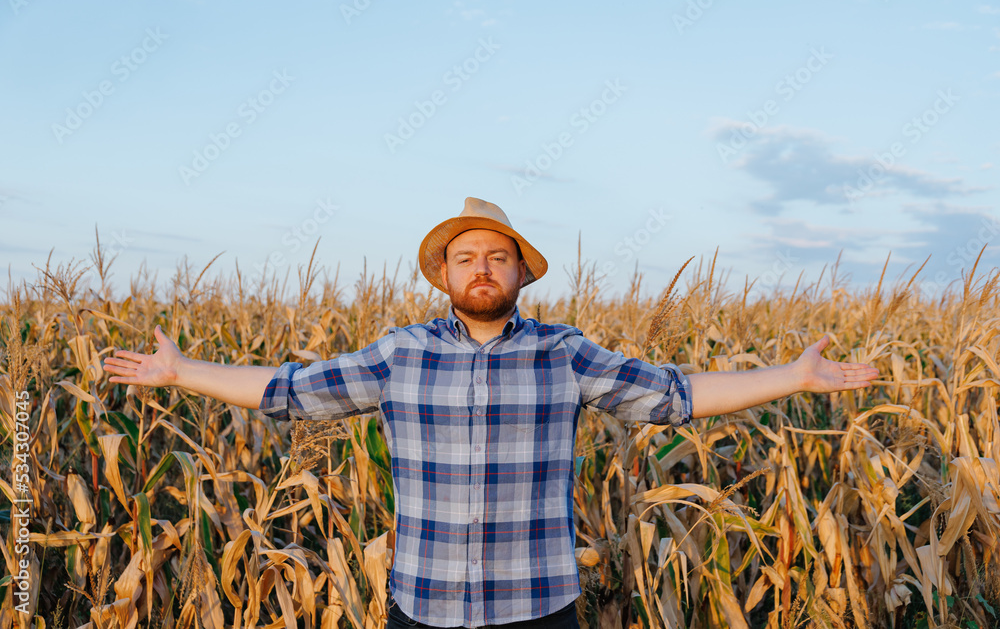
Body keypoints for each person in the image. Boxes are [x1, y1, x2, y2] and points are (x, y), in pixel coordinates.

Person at [103, 197, 878, 629]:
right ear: (445, 272)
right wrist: (181, 371)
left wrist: (794, 374)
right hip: (425, 606)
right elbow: (287, 390)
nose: (482, 268)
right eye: (467, 256)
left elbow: (677, 395)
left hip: (537, 607)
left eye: (498, 256)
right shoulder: (399, 353)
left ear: (520, 275)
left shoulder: (565, 352)